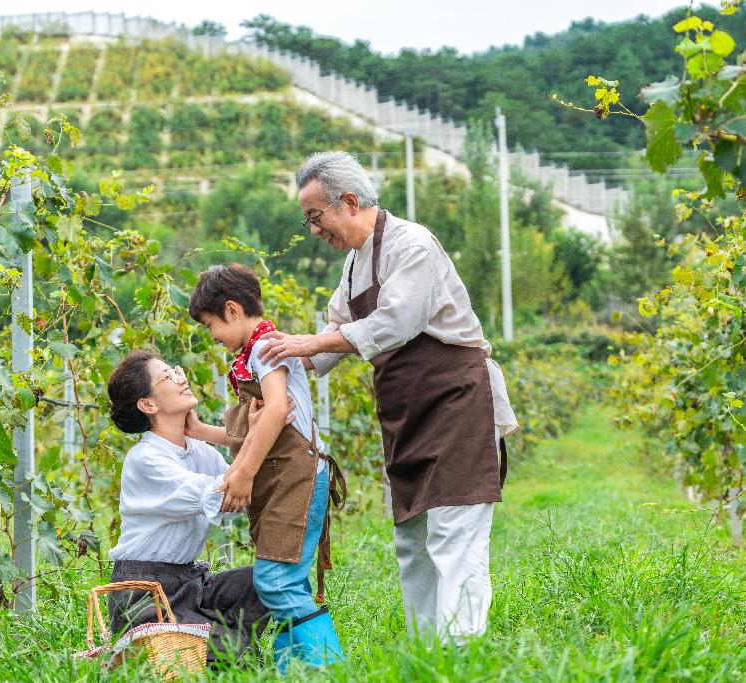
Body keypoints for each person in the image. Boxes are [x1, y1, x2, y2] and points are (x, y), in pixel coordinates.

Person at [258, 151, 519, 643]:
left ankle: (461, 656)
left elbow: (397, 322)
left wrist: (312, 344)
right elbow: (335, 331)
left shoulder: (412, 244)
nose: (314, 230)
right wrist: (276, 365)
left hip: (454, 400)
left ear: (350, 202)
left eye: (316, 218)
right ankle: (428, 653)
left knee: (454, 532)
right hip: (408, 413)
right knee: (413, 539)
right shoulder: (357, 263)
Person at [187, 263, 346, 671]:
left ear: (232, 310)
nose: (212, 336)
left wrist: (242, 473)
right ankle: (295, 670)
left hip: (298, 475)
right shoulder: (254, 351)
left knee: (274, 580)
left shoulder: (262, 348)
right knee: (286, 580)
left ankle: (328, 671)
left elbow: (275, 412)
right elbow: (255, 426)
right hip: (288, 476)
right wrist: (202, 430)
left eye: (210, 325)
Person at [105, 349, 286, 666]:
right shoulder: (145, 460)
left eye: (176, 369)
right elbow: (226, 490)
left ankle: (222, 649)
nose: (181, 377)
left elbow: (246, 491)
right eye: (167, 376)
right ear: (148, 405)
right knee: (218, 648)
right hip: (144, 594)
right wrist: (258, 431)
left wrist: (208, 433)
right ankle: (226, 652)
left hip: (188, 582)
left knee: (268, 579)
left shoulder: (199, 452)